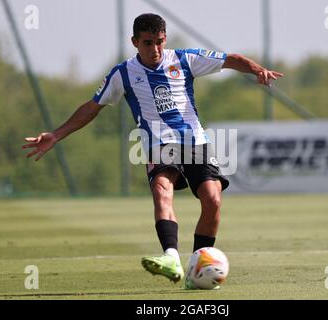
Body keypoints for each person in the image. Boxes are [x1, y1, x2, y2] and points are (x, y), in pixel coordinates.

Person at [22, 13, 283, 289]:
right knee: (162, 188)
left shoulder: (183, 59)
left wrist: (257, 69)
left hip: (195, 141)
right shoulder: (122, 73)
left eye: (159, 42)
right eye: (147, 43)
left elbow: (230, 59)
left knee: (213, 200)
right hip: (158, 143)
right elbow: (92, 107)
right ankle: (170, 256)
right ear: (135, 42)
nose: (154, 49)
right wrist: (56, 134)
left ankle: (196, 269)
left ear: (165, 39)